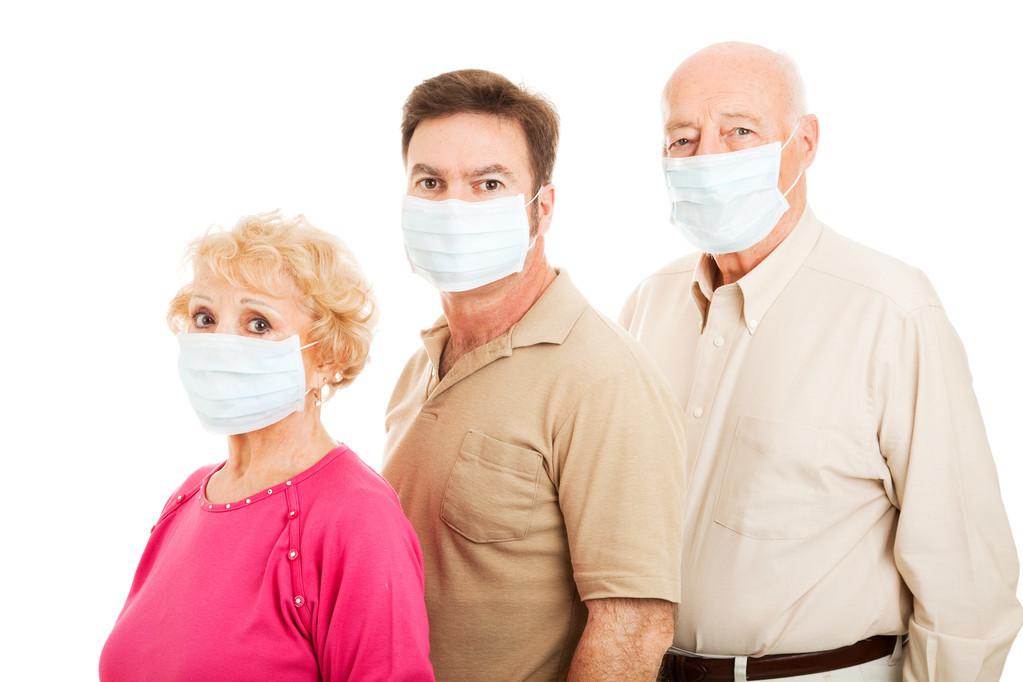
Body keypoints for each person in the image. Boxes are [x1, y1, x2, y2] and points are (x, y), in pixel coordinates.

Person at [620, 42, 1023, 681]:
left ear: (804, 143)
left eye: (740, 131)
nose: (708, 158)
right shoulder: (648, 304)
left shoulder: (891, 311)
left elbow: (966, 578)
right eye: (683, 139)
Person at [382, 69, 687, 681]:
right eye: (430, 182)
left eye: (488, 183)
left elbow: (634, 625)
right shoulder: (419, 367)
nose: (453, 207)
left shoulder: (604, 380)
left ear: (540, 209)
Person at [99, 211, 434, 681]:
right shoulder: (188, 496)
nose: (220, 344)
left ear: (328, 357)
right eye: (205, 318)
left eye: (258, 324)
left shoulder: (357, 517)